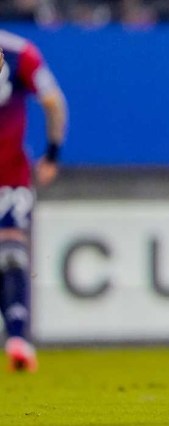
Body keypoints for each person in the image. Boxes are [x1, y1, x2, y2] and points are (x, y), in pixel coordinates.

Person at [0, 31, 68, 371]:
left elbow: (53, 102)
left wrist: (52, 155)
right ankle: (18, 339)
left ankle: (17, 338)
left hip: (10, 175)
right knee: (11, 253)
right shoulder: (21, 52)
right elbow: (54, 102)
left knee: (11, 250)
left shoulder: (22, 54)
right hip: (11, 173)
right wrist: (52, 154)